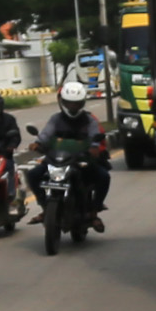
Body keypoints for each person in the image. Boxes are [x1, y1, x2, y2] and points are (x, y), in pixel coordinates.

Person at [41, 80, 110, 226]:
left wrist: (94, 147)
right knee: (34, 175)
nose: (73, 107)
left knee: (104, 177)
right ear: (63, 102)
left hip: (81, 160)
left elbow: (95, 135)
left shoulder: (89, 120)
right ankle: (44, 207)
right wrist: (38, 143)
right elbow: (46, 134)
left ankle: (94, 211)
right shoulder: (56, 119)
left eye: (76, 103)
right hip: (58, 159)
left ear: (82, 103)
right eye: (69, 103)